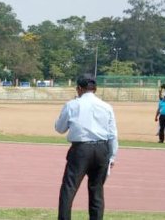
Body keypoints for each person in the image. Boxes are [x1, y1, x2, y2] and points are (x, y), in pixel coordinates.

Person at [54, 76, 119, 220]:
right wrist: (113, 156)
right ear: (95, 89)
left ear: (79, 89)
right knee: (96, 190)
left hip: (81, 149)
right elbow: (113, 134)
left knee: (69, 188)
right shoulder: (106, 107)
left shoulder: (72, 105)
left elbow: (60, 128)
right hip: (102, 149)